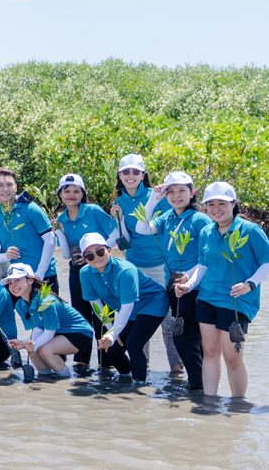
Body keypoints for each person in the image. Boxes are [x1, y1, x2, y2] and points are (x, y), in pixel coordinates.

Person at [175, 182, 268, 398]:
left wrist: (250, 284)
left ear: (233, 203)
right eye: (211, 204)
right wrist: (188, 285)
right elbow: (203, 265)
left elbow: (267, 262)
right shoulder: (207, 231)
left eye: (221, 203)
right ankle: (209, 402)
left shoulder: (251, 230)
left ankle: (237, 405)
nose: (216, 208)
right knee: (209, 352)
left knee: (232, 356)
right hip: (207, 297)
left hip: (236, 300)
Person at [136, 171, 211, 390]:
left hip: (195, 285)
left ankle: (198, 386)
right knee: (187, 337)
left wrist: (189, 277)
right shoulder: (169, 216)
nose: (176, 196)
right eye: (171, 192)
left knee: (185, 338)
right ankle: (202, 384)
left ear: (192, 192)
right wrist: (153, 199)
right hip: (174, 285)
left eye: (182, 191)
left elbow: (209, 255)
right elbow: (142, 228)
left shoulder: (200, 219)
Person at [109, 153, 182, 373]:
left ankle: (177, 370)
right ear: (120, 175)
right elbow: (125, 239)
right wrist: (117, 220)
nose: (130, 176)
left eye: (135, 171)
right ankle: (143, 367)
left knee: (169, 324)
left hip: (162, 266)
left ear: (143, 175)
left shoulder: (157, 196)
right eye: (126, 172)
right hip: (134, 267)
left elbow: (172, 226)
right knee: (140, 320)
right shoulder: (118, 201)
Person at [79, 233, 169, 384]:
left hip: (152, 302)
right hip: (130, 310)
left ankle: (140, 386)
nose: (96, 257)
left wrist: (114, 333)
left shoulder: (125, 270)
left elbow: (127, 307)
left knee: (134, 344)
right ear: (85, 259)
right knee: (113, 349)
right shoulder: (85, 273)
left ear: (109, 250)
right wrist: (111, 330)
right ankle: (126, 378)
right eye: (89, 256)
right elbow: (96, 304)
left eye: (100, 251)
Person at [52, 173, 118, 366]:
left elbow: (115, 231)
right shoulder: (61, 218)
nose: (71, 195)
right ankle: (82, 364)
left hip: (101, 271)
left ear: (82, 194)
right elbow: (64, 254)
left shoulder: (93, 211)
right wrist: (57, 230)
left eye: (76, 191)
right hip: (77, 272)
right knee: (81, 316)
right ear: (60, 195)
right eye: (67, 191)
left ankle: (107, 364)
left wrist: (98, 254)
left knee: (103, 314)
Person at [4, 263, 94, 379]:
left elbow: (49, 333)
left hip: (79, 333)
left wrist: (33, 344)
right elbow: (37, 330)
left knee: (45, 350)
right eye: (10, 282)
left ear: (31, 280)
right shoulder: (20, 305)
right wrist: (23, 343)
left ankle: (65, 378)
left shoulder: (46, 302)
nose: (13, 285)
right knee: (32, 351)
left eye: (17, 280)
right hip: (57, 332)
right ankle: (45, 379)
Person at [0, 167, 59, 292]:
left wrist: (39, 273)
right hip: (16, 279)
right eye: (0, 185)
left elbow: (50, 239)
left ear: (16, 187)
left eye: (9, 184)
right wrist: (5, 256)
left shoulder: (31, 209)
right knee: (24, 311)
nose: (5, 189)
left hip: (43, 275)